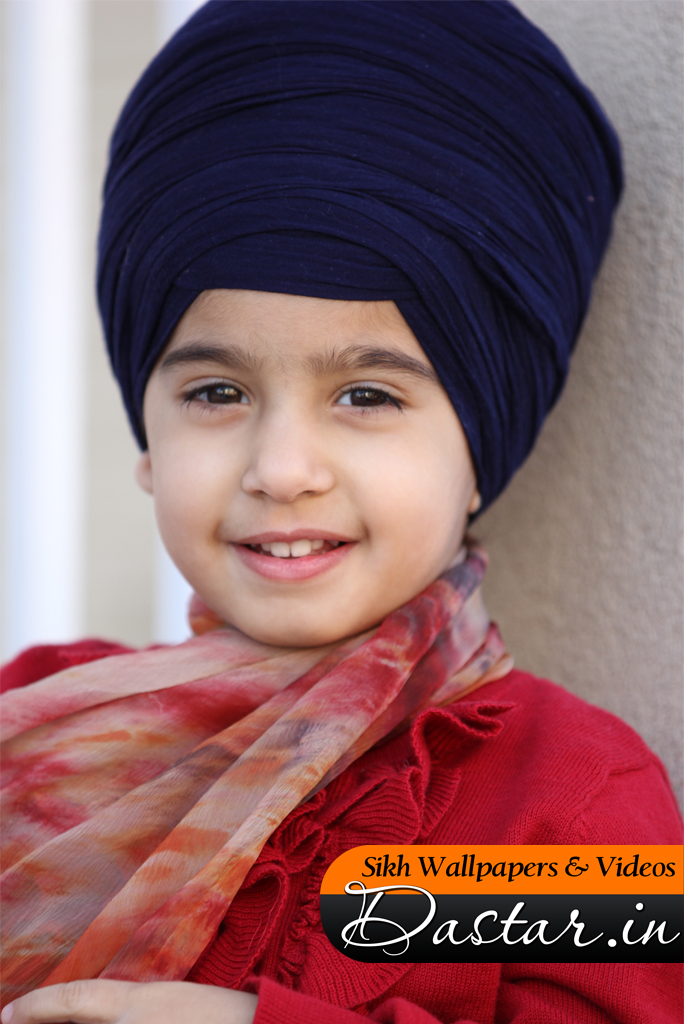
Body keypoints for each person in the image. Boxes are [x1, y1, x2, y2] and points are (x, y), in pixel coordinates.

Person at [1, 3, 681, 1023]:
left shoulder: (569, 800)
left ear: (481, 449)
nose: (281, 468)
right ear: (148, 441)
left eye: (368, 395)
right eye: (216, 393)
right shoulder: (41, 729)